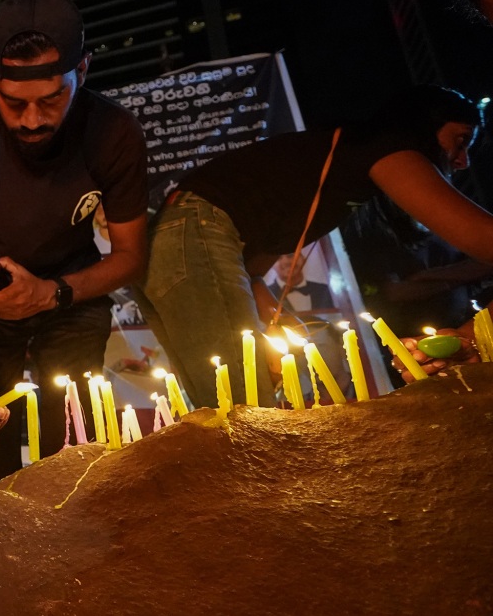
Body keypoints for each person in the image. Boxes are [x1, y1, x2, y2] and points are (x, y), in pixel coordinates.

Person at [141, 84, 493, 409]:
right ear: (422, 126)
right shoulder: (389, 149)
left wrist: (285, 324)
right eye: (460, 141)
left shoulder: (342, 169)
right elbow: (483, 239)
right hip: (189, 232)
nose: (463, 161)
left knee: (221, 401)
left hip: (173, 239)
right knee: (242, 407)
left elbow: (252, 273)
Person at [0, 0, 149, 487]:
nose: (32, 120)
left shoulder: (115, 134)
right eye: (13, 102)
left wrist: (52, 293)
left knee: (73, 442)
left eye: (52, 99)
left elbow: (132, 256)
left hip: (72, 290)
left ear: (83, 70)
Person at [268, 251, 335, 313]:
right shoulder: (266, 293)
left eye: (291, 255)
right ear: (270, 265)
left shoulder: (324, 290)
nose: (286, 262)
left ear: (304, 259)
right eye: (278, 258)